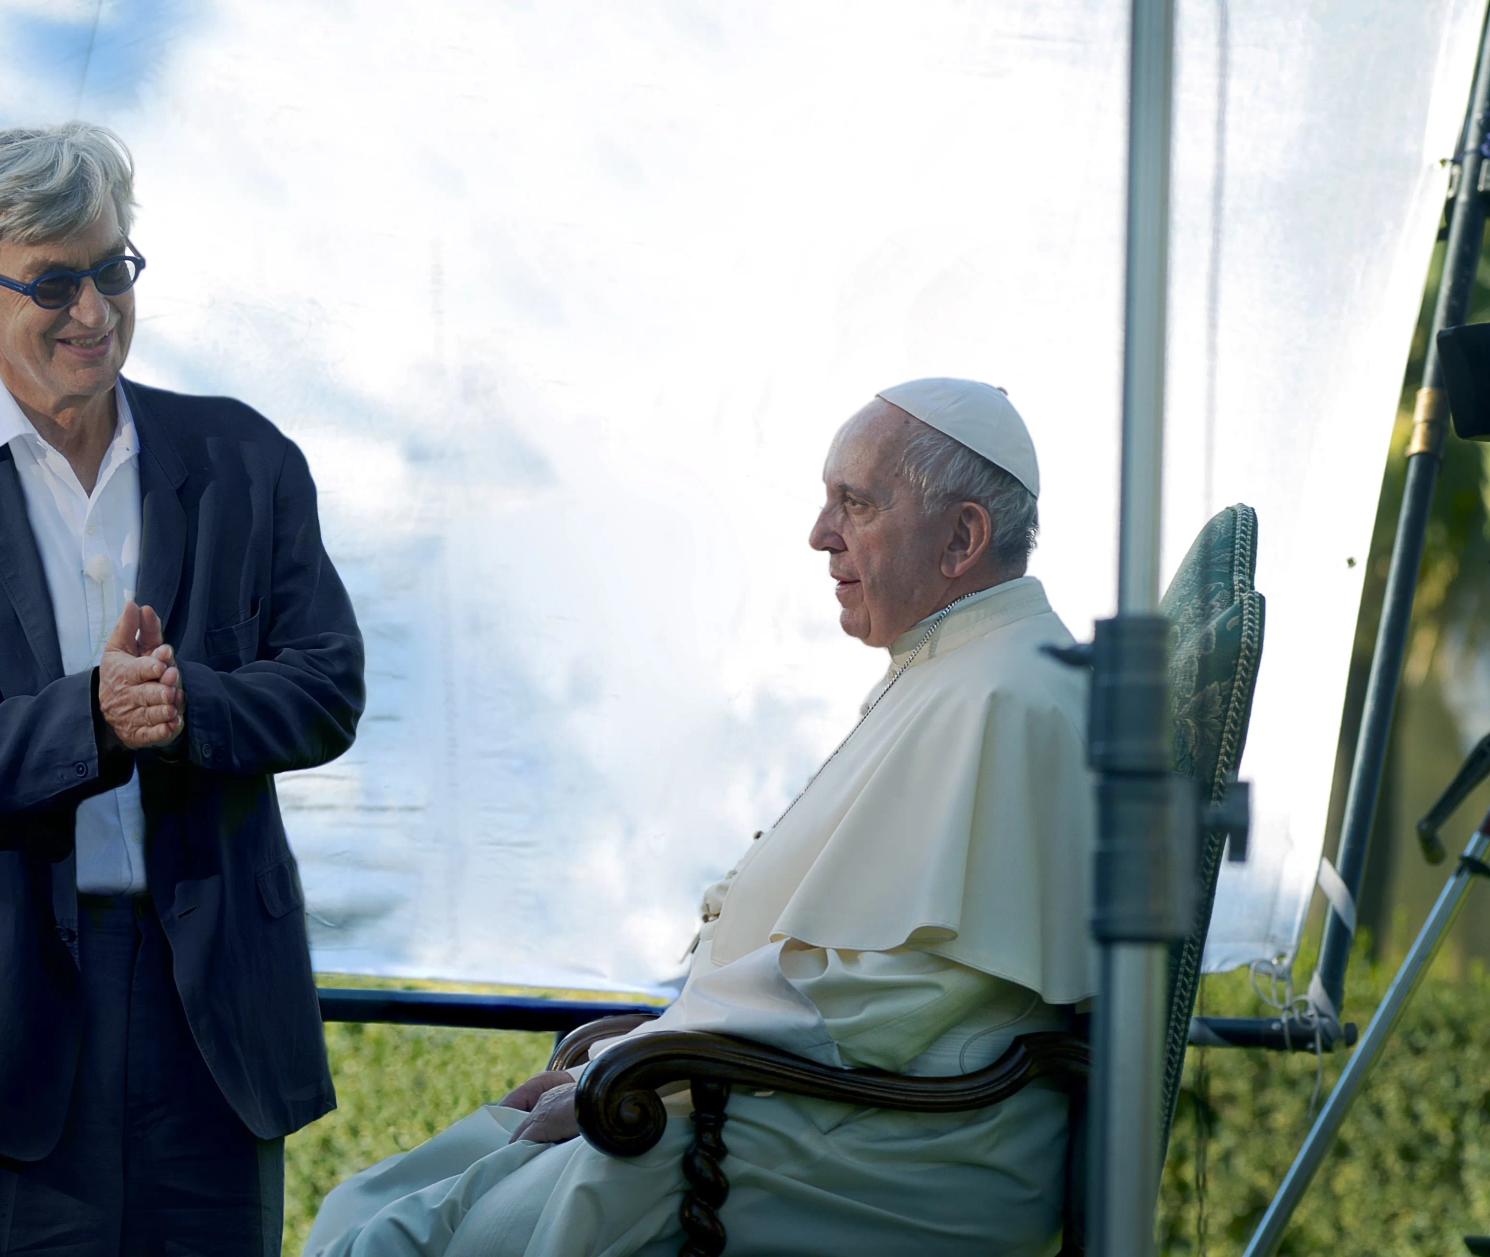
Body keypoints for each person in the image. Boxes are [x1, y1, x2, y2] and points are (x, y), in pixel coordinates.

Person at [304, 379, 1093, 1257]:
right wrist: (654, 1042)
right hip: (820, 1097)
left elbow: (891, 995)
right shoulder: (959, 668)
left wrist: (652, 1062)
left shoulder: (1010, 694)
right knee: (367, 1206)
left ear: (962, 537)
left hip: (905, 1145)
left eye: (855, 503)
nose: (820, 533)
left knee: (424, 1237)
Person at [0, 122, 364, 1256]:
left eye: (113, 269)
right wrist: (90, 722)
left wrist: (187, 707)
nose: (96, 311)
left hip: (212, 1018)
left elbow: (327, 682)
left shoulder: (248, 460)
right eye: (54, 282)